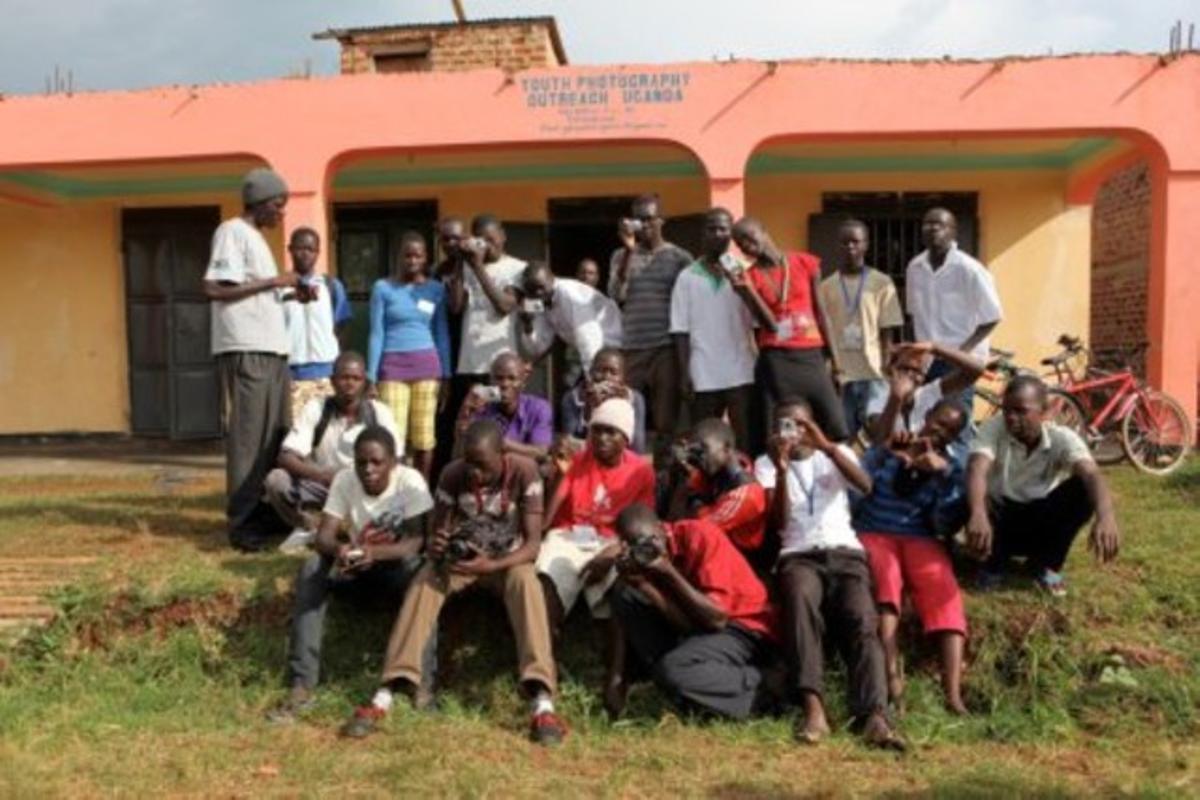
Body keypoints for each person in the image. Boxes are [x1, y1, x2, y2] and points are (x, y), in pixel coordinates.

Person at [342, 420, 566, 745]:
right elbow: (437, 534)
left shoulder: (524, 472)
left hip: (505, 561)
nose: (474, 473)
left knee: (526, 581)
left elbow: (532, 545)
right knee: (425, 579)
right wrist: (437, 545)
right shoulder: (452, 473)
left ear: (502, 455)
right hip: (461, 563)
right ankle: (389, 688)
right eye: (469, 463)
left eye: (482, 466)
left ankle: (541, 696)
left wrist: (492, 563)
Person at [754, 401, 903, 749]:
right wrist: (780, 469)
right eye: (784, 425)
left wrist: (827, 446)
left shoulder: (837, 453)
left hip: (844, 552)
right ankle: (813, 707)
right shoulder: (766, 463)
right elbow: (779, 523)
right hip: (798, 555)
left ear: (814, 425)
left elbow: (865, 485)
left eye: (800, 424)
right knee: (799, 603)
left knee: (862, 618)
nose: (792, 432)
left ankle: (874, 716)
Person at [267, 425, 434, 723]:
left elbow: (417, 541)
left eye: (376, 462)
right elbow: (324, 537)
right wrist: (341, 551)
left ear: (393, 462)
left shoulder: (410, 481)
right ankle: (302, 684)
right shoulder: (345, 480)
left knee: (423, 575)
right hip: (357, 570)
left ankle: (421, 682)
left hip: (395, 570)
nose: (368, 470)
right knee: (311, 567)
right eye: (361, 462)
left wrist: (376, 553)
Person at [607, 504, 781, 721]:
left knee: (674, 670)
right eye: (635, 547)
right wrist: (644, 585)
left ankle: (766, 686)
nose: (646, 550)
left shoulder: (699, 535)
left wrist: (667, 571)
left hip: (745, 627)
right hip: (704, 631)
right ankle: (690, 684)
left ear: (661, 528)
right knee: (625, 594)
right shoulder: (641, 560)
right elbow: (688, 625)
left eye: (648, 541)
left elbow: (716, 620)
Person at [853, 401, 971, 714]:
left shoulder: (950, 465)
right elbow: (858, 480)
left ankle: (953, 694)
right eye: (938, 421)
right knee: (887, 579)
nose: (939, 430)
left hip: (920, 536)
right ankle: (893, 681)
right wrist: (888, 453)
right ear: (927, 416)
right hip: (875, 530)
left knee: (942, 586)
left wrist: (942, 475)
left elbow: (944, 523)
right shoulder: (896, 443)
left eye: (949, 429)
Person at [203, 167, 296, 552]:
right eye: (278, 205)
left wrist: (287, 295)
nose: (281, 213)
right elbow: (213, 288)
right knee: (248, 439)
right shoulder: (231, 232)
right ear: (259, 204)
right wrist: (273, 282)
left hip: (272, 351)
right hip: (248, 350)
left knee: (275, 435)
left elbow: (253, 295)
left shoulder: (255, 238)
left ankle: (265, 513)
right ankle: (241, 524)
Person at [966, 375, 1120, 596]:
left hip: (1041, 521)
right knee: (975, 493)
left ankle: (1044, 564)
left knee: (1083, 490)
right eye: (1006, 409)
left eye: (1021, 410)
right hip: (1000, 521)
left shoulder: (1062, 438)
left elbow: (1092, 474)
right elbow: (977, 467)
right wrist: (978, 514)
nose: (1010, 417)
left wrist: (1106, 517)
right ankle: (992, 564)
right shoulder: (994, 427)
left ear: (1045, 412)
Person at [537, 398, 656, 633]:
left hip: (614, 539)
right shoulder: (578, 459)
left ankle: (610, 654)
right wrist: (561, 474)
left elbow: (644, 526)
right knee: (549, 575)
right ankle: (547, 645)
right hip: (570, 534)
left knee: (620, 583)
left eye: (611, 432)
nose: (602, 438)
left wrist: (614, 552)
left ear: (625, 438)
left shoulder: (641, 471)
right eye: (597, 430)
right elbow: (548, 519)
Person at [263, 351, 399, 553]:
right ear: (332, 381)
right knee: (276, 480)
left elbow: (398, 460)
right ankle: (309, 526)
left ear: (365, 382)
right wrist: (322, 475)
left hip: (365, 487)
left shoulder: (379, 413)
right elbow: (286, 456)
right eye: (344, 378)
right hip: (324, 485)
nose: (350, 384)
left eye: (356, 378)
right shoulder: (316, 409)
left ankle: (358, 529)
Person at [730, 216, 848, 445]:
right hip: (777, 362)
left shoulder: (804, 262)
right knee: (788, 430)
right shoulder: (750, 276)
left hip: (812, 358)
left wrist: (837, 364)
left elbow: (822, 313)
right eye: (738, 242)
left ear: (764, 230)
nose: (744, 243)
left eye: (747, 235)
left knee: (836, 424)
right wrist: (747, 292)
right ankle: (788, 472)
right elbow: (770, 325)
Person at [609, 194, 694, 462]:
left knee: (664, 420)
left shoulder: (679, 257)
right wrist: (629, 252)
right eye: (637, 219)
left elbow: (690, 304)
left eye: (648, 219)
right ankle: (628, 475)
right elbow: (616, 294)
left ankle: (662, 476)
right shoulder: (620, 255)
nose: (642, 225)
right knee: (625, 416)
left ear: (661, 221)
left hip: (664, 348)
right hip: (632, 347)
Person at [670, 208, 757, 450]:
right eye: (712, 228)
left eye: (723, 229)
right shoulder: (686, 278)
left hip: (741, 370)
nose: (718, 234)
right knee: (705, 441)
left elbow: (758, 321)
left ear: (731, 235)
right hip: (703, 372)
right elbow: (680, 330)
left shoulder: (744, 273)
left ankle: (746, 485)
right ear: (703, 233)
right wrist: (684, 373)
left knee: (744, 437)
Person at [367, 230, 451, 480]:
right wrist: (371, 376)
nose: (412, 261)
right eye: (407, 255)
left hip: (428, 368)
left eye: (418, 256)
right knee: (394, 436)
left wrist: (446, 375)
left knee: (424, 436)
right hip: (392, 369)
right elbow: (376, 333)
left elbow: (442, 334)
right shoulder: (382, 288)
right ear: (398, 257)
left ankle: (420, 493)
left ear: (426, 258)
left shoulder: (435, 289)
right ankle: (396, 489)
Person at [905, 208, 1003, 413]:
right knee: (925, 419)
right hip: (926, 362)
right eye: (927, 224)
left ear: (953, 232)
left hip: (958, 363)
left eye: (938, 225)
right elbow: (913, 314)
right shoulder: (914, 268)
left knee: (954, 422)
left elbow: (992, 317)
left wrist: (962, 352)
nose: (932, 229)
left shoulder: (969, 269)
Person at [817, 220, 903, 440]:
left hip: (873, 371)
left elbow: (887, 329)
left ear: (866, 245)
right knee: (842, 437)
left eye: (856, 242)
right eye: (845, 243)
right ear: (838, 246)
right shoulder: (825, 287)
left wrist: (886, 365)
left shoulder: (882, 283)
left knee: (880, 433)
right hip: (841, 375)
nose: (850, 247)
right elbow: (822, 333)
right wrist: (828, 369)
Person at [446, 213, 526, 402]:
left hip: (501, 363)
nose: (488, 246)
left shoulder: (517, 268)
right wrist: (459, 260)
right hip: (470, 362)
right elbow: (456, 307)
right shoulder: (469, 266)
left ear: (503, 236)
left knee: (498, 415)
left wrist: (478, 267)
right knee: (473, 417)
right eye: (481, 241)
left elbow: (504, 306)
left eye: (492, 239)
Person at [664, 417, 767, 558]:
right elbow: (675, 517)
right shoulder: (715, 469)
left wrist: (695, 502)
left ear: (727, 448)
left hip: (744, 557)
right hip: (719, 547)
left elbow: (699, 528)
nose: (700, 457)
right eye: (696, 451)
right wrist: (681, 476)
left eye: (704, 449)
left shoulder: (747, 492)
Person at [282, 227, 353, 421]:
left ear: (318, 252)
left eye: (310, 249)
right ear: (290, 249)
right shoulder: (279, 288)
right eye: (299, 248)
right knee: (296, 436)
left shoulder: (330, 286)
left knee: (326, 434)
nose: (305, 253)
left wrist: (337, 365)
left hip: (327, 375)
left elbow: (341, 326)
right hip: (292, 376)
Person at [867, 341, 984, 450]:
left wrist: (935, 348)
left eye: (916, 371)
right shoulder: (877, 402)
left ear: (923, 378)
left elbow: (975, 371)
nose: (909, 375)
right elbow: (879, 442)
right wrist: (896, 398)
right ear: (891, 371)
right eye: (904, 369)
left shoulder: (928, 393)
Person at [516, 260, 623, 372]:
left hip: (615, 348)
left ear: (552, 278)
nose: (538, 293)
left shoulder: (569, 294)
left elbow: (589, 338)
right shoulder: (543, 301)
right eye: (532, 289)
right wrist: (528, 325)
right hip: (595, 354)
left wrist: (591, 378)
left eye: (541, 287)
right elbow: (538, 347)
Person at [457, 352, 554, 461]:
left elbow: (541, 452)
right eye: (499, 378)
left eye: (512, 379)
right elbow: (462, 456)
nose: (505, 384)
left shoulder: (538, 407)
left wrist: (499, 443)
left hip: (524, 472)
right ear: (491, 381)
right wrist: (464, 414)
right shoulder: (481, 405)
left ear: (523, 383)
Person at [559, 346, 648, 454]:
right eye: (600, 371)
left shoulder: (635, 399)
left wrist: (623, 407)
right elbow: (570, 442)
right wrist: (590, 408)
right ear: (591, 373)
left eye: (613, 373)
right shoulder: (572, 398)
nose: (606, 377)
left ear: (623, 377)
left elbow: (638, 447)